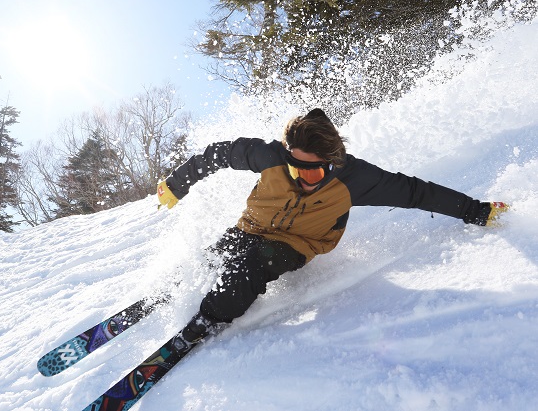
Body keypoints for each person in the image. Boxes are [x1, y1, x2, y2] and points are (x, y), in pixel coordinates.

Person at [156, 108, 508, 355]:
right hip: (251, 227)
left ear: (332, 163)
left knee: (249, 265)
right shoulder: (268, 155)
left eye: (314, 175)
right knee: (219, 256)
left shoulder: (356, 178)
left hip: (297, 243)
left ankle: (209, 318)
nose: (304, 181)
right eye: (297, 172)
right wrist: (176, 184)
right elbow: (217, 155)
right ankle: (176, 287)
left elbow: (415, 192)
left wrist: (475, 211)